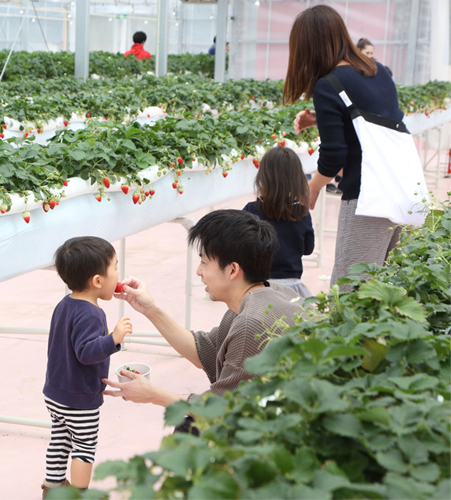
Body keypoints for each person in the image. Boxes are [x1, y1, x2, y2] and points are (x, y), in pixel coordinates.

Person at [102, 210, 305, 429]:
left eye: (205, 262)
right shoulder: (267, 293)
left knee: (190, 429)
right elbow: (203, 351)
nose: (199, 271)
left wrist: (152, 394)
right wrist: (149, 309)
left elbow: (219, 410)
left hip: (279, 429)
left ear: (232, 269)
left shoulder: (251, 323)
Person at [287, 6, 403, 288]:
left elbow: (333, 156)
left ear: (309, 48)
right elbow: (381, 121)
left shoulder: (329, 85)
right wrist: (322, 121)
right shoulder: (377, 71)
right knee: (387, 285)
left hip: (368, 196)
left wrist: (311, 188)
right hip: (401, 189)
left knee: (351, 290)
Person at [41, 237, 133, 497]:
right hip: (79, 399)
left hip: (55, 392)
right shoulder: (92, 313)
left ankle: (53, 488)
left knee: (59, 440)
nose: (118, 274)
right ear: (97, 281)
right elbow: (85, 352)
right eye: (115, 268)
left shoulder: (65, 304)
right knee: (83, 446)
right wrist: (113, 339)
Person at [242, 147, 314, 298]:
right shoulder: (302, 212)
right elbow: (308, 249)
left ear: (262, 176)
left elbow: (240, 245)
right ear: (298, 178)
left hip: (258, 286)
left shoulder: (251, 210)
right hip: (292, 287)